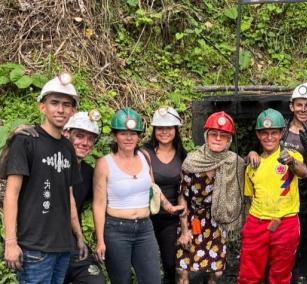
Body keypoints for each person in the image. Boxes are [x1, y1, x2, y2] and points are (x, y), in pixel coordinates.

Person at [3, 73, 87, 283]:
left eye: (66, 105)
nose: (60, 109)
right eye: (54, 103)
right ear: (42, 107)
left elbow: (68, 195)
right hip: (34, 248)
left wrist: (78, 235)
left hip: (62, 246)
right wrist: (11, 242)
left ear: (73, 111)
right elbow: (11, 194)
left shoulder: (68, 147)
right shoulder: (26, 141)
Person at [92, 107, 184, 284]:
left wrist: (168, 206)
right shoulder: (104, 163)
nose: (129, 138)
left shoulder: (144, 157)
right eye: (123, 133)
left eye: (133, 133)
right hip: (116, 229)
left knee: (152, 279)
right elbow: (98, 204)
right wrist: (100, 240)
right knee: (121, 279)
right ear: (114, 136)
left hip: (144, 227)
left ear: (139, 136)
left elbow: (152, 186)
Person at [238, 108, 307, 284]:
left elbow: (304, 172)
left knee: (280, 276)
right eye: (264, 133)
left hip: (285, 223)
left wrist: (291, 162)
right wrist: (247, 227)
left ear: (281, 134)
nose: (269, 137)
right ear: (258, 134)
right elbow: (249, 199)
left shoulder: (290, 156)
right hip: (257, 222)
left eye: (274, 133)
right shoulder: (253, 164)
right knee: (248, 275)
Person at [176, 111, 245, 284]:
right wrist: (185, 230)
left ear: (229, 140)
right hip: (193, 219)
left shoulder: (234, 162)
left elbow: (249, 181)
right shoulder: (192, 161)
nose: (218, 138)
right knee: (182, 269)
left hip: (217, 220)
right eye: (214, 134)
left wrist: (252, 154)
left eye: (223, 135)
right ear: (206, 136)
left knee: (217, 273)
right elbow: (182, 197)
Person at [143, 107, 187, 284]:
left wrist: (185, 225)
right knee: (148, 263)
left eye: (169, 128)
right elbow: (149, 184)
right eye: (160, 128)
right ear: (154, 130)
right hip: (148, 216)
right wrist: (166, 204)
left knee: (170, 264)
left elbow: (184, 190)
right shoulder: (144, 153)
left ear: (176, 130)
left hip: (171, 219)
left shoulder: (183, 156)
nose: (164, 132)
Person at [62, 111, 105, 284]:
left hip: (74, 244)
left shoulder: (88, 172)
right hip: (44, 245)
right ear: (66, 134)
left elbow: (103, 202)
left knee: (95, 280)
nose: (85, 143)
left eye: (90, 139)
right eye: (79, 136)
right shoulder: (48, 163)